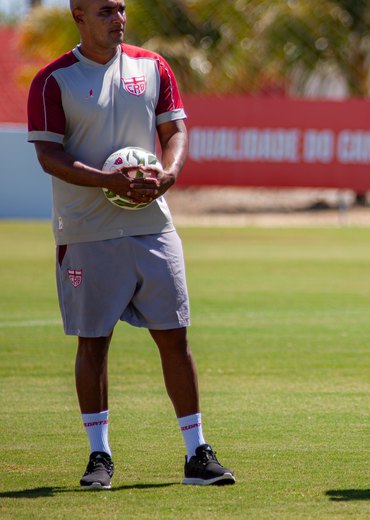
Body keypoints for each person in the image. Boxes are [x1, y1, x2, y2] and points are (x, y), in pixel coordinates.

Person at [27, 0, 235, 489]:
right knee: (93, 343)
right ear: (78, 16)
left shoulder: (153, 66)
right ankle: (99, 457)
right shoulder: (54, 80)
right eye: (105, 11)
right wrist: (107, 180)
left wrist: (168, 174)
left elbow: (175, 131)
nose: (118, 18)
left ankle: (196, 453)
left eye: (121, 9)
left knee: (175, 337)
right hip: (85, 231)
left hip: (153, 227)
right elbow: (48, 155)